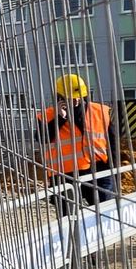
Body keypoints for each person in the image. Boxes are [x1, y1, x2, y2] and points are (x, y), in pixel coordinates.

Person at [39, 72, 117, 212]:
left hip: (98, 169)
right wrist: (60, 118)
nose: (75, 100)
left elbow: (113, 142)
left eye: (78, 96)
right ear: (60, 97)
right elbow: (42, 138)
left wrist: (115, 169)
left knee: (104, 212)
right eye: (70, 98)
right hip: (64, 173)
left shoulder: (99, 111)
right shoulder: (48, 116)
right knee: (69, 216)